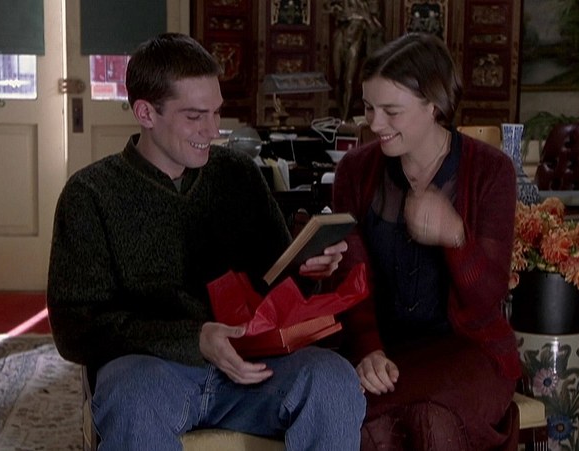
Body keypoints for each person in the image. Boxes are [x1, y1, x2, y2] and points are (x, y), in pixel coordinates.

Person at [47, 33, 365, 450]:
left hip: (255, 370)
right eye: (195, 116)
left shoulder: (238, 174)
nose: (213, 131)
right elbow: (74, 330)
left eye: (216, 112)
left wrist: (307, 270)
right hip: (153, 374)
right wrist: (193, 339)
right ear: (145, 112)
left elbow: (276, 288)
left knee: (335, 381)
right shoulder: (90, 195)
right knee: (131, 401)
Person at [331, 32, 521, 450]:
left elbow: (488, 298)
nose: (374, 124)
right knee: (382, 430)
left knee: (420, 418)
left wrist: (455, 237)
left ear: (433, 105)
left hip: (471, 354)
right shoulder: (355, 172)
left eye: (391, 111)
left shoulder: (492, 171)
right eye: (369, 107)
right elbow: (351, 280)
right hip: (387, 356)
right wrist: (368, 350)